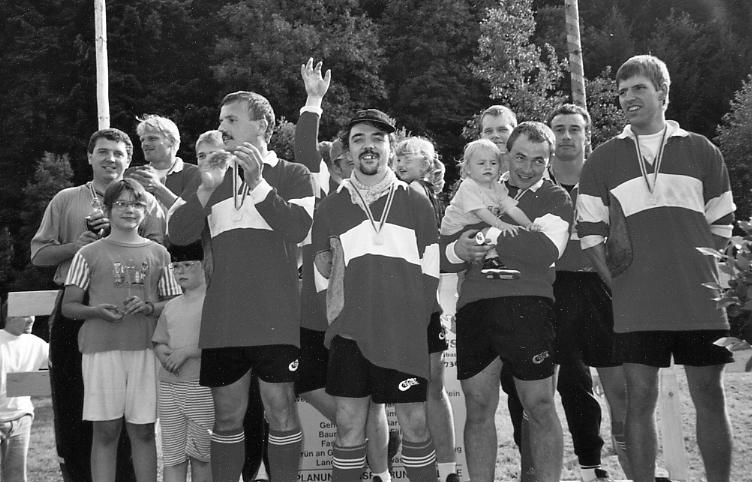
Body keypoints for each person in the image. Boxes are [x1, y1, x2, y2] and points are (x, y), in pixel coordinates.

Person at [577, 54, 735, 482]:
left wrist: (697, 268)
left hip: (699, 298)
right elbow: (589, 233)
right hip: (637, 303)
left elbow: (722, 223)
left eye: (638, 88)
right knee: (639, 401)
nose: (628, 98)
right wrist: (617, 283)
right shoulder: (603, 159)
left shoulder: (701, 149)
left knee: (710, 396)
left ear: (662, 93)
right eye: (622, 91)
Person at [169, 90, 314, 482]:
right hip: (224, 317)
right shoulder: (212, 175)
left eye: (231, 119)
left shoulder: (293, 173)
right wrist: (204, 188)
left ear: (261, 125)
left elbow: (299, 228)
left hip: (275, 316)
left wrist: (258, 183)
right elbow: (177, 234)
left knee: (281, 411)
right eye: (221, 120)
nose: (222, 127)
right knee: (227, 417)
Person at [30, 127, 165, 482]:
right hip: (79, 305)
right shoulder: (67, 199)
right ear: (89, 156)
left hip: (133, 309)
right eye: (103, 152)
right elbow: (39, 254)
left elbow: (159, 253)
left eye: (119, 153)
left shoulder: (147, 202)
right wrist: (78, 247)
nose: (111, 159)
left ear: (129, 160)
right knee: (75, 403)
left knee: (137, 417)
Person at [312, 109, 439, 482]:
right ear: (348, 152)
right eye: (358, 139)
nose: (368, 146)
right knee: (348, 426)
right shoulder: (332, 206)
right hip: (350, 333)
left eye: (377, 138)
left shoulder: (416, 201)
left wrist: (415, 320)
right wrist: (337, 320)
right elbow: (320, 274)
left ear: (391, 147)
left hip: (404, 331)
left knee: (415, 424)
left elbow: (431, 269)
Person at [441, 122, 572, 482]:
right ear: (505, 155)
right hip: (476, 306)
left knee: (539, 404)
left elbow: (545, 250)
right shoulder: (478, 186)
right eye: (520, 157)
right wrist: (459, 249)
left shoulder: (556, 197)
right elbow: (444, 249)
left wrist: (485, 236)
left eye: (539, 160)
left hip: (528, 305)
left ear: (549, 162)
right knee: (478, 407)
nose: (528, 168)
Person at [294, 59, 394, 481]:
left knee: (371, 403)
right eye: (338, 158)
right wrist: (313, 101)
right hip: (316, 315)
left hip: (361, 317)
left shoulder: (389, 195)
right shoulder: (327, 192)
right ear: (336, 161)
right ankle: (372, 452)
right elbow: (304, 150)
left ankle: (381, 472)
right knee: (326, 394)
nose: (345, 165)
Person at [61, 178, 181, 482]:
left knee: (143, 431)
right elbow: (69, 306)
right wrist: (96, 311)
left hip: (145, 350)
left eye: (137, 204)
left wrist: (149, 307)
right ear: (107, 209)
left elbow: (174, 303)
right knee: (105, 431)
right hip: (101, 350)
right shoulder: (88, 254)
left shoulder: (160, 254)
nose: (129, 210)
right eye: (121, 204)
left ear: (146, 210)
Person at [546, 103, 628, 481]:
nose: (566, 136)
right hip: (554, 288)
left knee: (619, 388)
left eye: (574, 129)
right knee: (571, 383)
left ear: (587, 135)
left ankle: (635, 466)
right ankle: (589, 464)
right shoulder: (536, 182)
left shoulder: (605, 180)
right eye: (559, 129)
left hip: (600, 285)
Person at [393, 137, 458, 482]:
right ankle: (446, 470)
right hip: (425, 303)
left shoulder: (412, 191)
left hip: (410, 305)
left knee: (417, 393)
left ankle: (432, 469)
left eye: (408, 157)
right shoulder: (426, 191)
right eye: (397, 158)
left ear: (427, 163)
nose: (400, 163)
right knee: (433, 390)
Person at [152, 241, 213, 482]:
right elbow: (158, 341)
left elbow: (219, 345)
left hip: (201, 387)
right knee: (173, 457)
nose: (180, 271)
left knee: (202, 456)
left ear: (204, 265)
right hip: (169, 388)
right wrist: (163, 354)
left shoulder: (214, 303)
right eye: (176, 267)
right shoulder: (171, 306)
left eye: (188, 265)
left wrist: (187, 352)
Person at [441, 139, 538, 276]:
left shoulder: (497, 188)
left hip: (473, 227)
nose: (488, 167)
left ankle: (491, 261)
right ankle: (491, 260)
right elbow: (479, 211)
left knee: (494, 231)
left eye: (493, 163)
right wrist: (501, 225)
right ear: (468, 168)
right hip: (455, 232)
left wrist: (528, 224)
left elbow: (511, 208)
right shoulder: (469, 185)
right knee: (490, 230)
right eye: (481, 163)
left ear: (499, 167)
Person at [0, 301, 49, 482]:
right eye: (25, 315)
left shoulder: (36, 344)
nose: (31, 319)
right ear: (10, 316)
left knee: (16, 477)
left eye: (32, 314)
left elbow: (59, 363)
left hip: (21, 419)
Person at [129, 114, 201, 212]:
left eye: (152, 138)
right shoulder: (133, 174)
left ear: (171, 141)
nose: (145, 144)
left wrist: (158, 188)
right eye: (142, 140)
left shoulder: (195, 174)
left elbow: (192, 215)